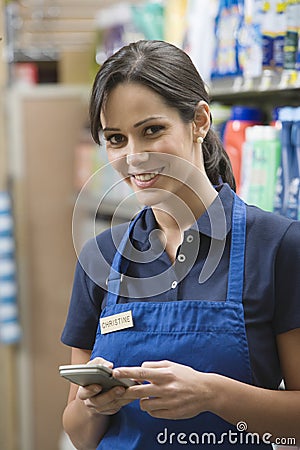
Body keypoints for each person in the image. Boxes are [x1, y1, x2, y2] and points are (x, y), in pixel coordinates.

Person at [61, 40, 300, 450]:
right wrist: (92, 405)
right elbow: (80, 436)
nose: (134, 157)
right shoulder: (100, 256)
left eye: (152, 130)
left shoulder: (277, 246)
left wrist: (214, 396)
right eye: (116, 139)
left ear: (199, 121)